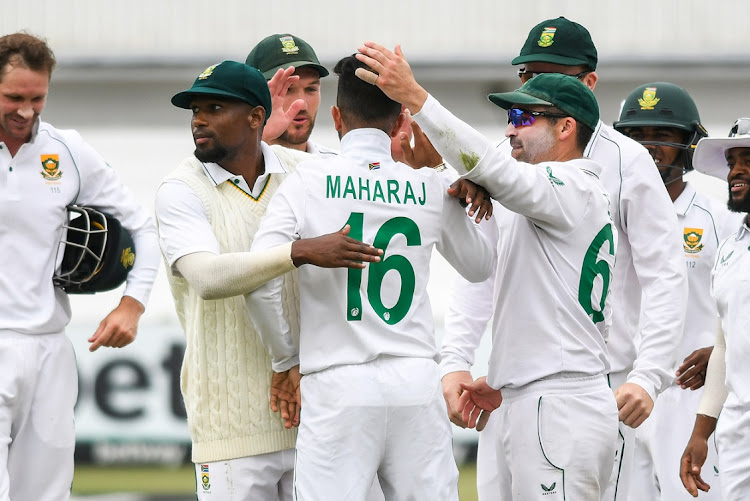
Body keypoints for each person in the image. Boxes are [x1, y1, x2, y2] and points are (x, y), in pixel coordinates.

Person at [437, 17, 687, 501]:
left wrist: (648, 374)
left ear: (589, 84)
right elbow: (485, 270)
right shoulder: (503, 156)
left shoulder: (627, 160)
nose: (534, 87)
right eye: (528, 75)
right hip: (514, 384)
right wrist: (456, 360)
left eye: (555, 75)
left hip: (601, 385)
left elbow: (665, 276)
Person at [356, 43, 620, 500]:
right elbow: (498, 278)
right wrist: (503, 376)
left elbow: (496, 169)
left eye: (523, 118)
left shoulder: (569, 184)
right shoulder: (552, 197)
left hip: (556, 406)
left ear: (565, 127)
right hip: (538, 397)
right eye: (510, 118)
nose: (510, 130)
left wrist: (417, 98)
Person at [245, 54, 494, 501]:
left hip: (338, 383)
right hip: (415, 382)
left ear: (337, 118)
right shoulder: (426, 184)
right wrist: (439, 173)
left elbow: (259, 276)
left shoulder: (307, 181)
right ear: (401, 119)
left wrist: (285, 361)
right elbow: (481, 265)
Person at [156, 60, 385, 500]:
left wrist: (452, 180)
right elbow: (207, 278)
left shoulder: (304, 171)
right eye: (195, 110)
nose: (199, 120)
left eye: (215, 107)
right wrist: (298, 252)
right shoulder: (180, 189)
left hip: (318, 416)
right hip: (231, 430)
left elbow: (383, 185)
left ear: (256, 117)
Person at [0, 32, 160, 501]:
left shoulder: (66, 150)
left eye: (37, 98)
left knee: (46, 495)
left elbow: (144, 229)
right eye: (12, 97)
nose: (26, 111)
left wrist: (133, 304)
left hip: (49, 351)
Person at [613, 82, 742, 500]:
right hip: (622, 392)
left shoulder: (719, 219)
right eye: (635, 137)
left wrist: (718, 352)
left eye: (662, 137)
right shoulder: (602, 210)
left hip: (691, 397)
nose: (647, 148)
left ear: (689, 145)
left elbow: (736, 306)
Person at [680, 118, 750, 500]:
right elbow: (724, 346)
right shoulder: (731, 248)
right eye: (732, 161)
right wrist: (700, 433)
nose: (736, 171)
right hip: (738, 430)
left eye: (748, 159)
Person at [246, 33, 336, 156]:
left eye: (310, 89)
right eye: (287, 89)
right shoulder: (224, 169)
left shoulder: (339, 168)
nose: (302, 104)